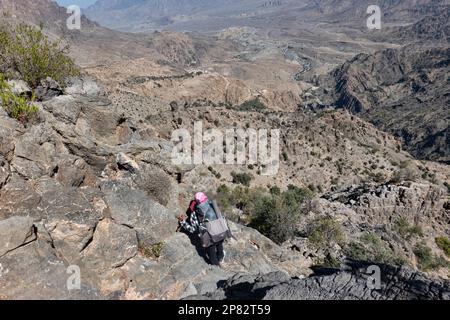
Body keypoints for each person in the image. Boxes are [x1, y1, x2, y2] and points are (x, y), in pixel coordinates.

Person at [178, 192, 226, 267]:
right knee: (220, 246)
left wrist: (183, 222)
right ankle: (221, 259)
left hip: (209, 237)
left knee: (211, 252)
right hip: (220, 232)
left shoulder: (195, 213)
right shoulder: (212, 205)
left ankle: (216, 266)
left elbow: (193, 229)